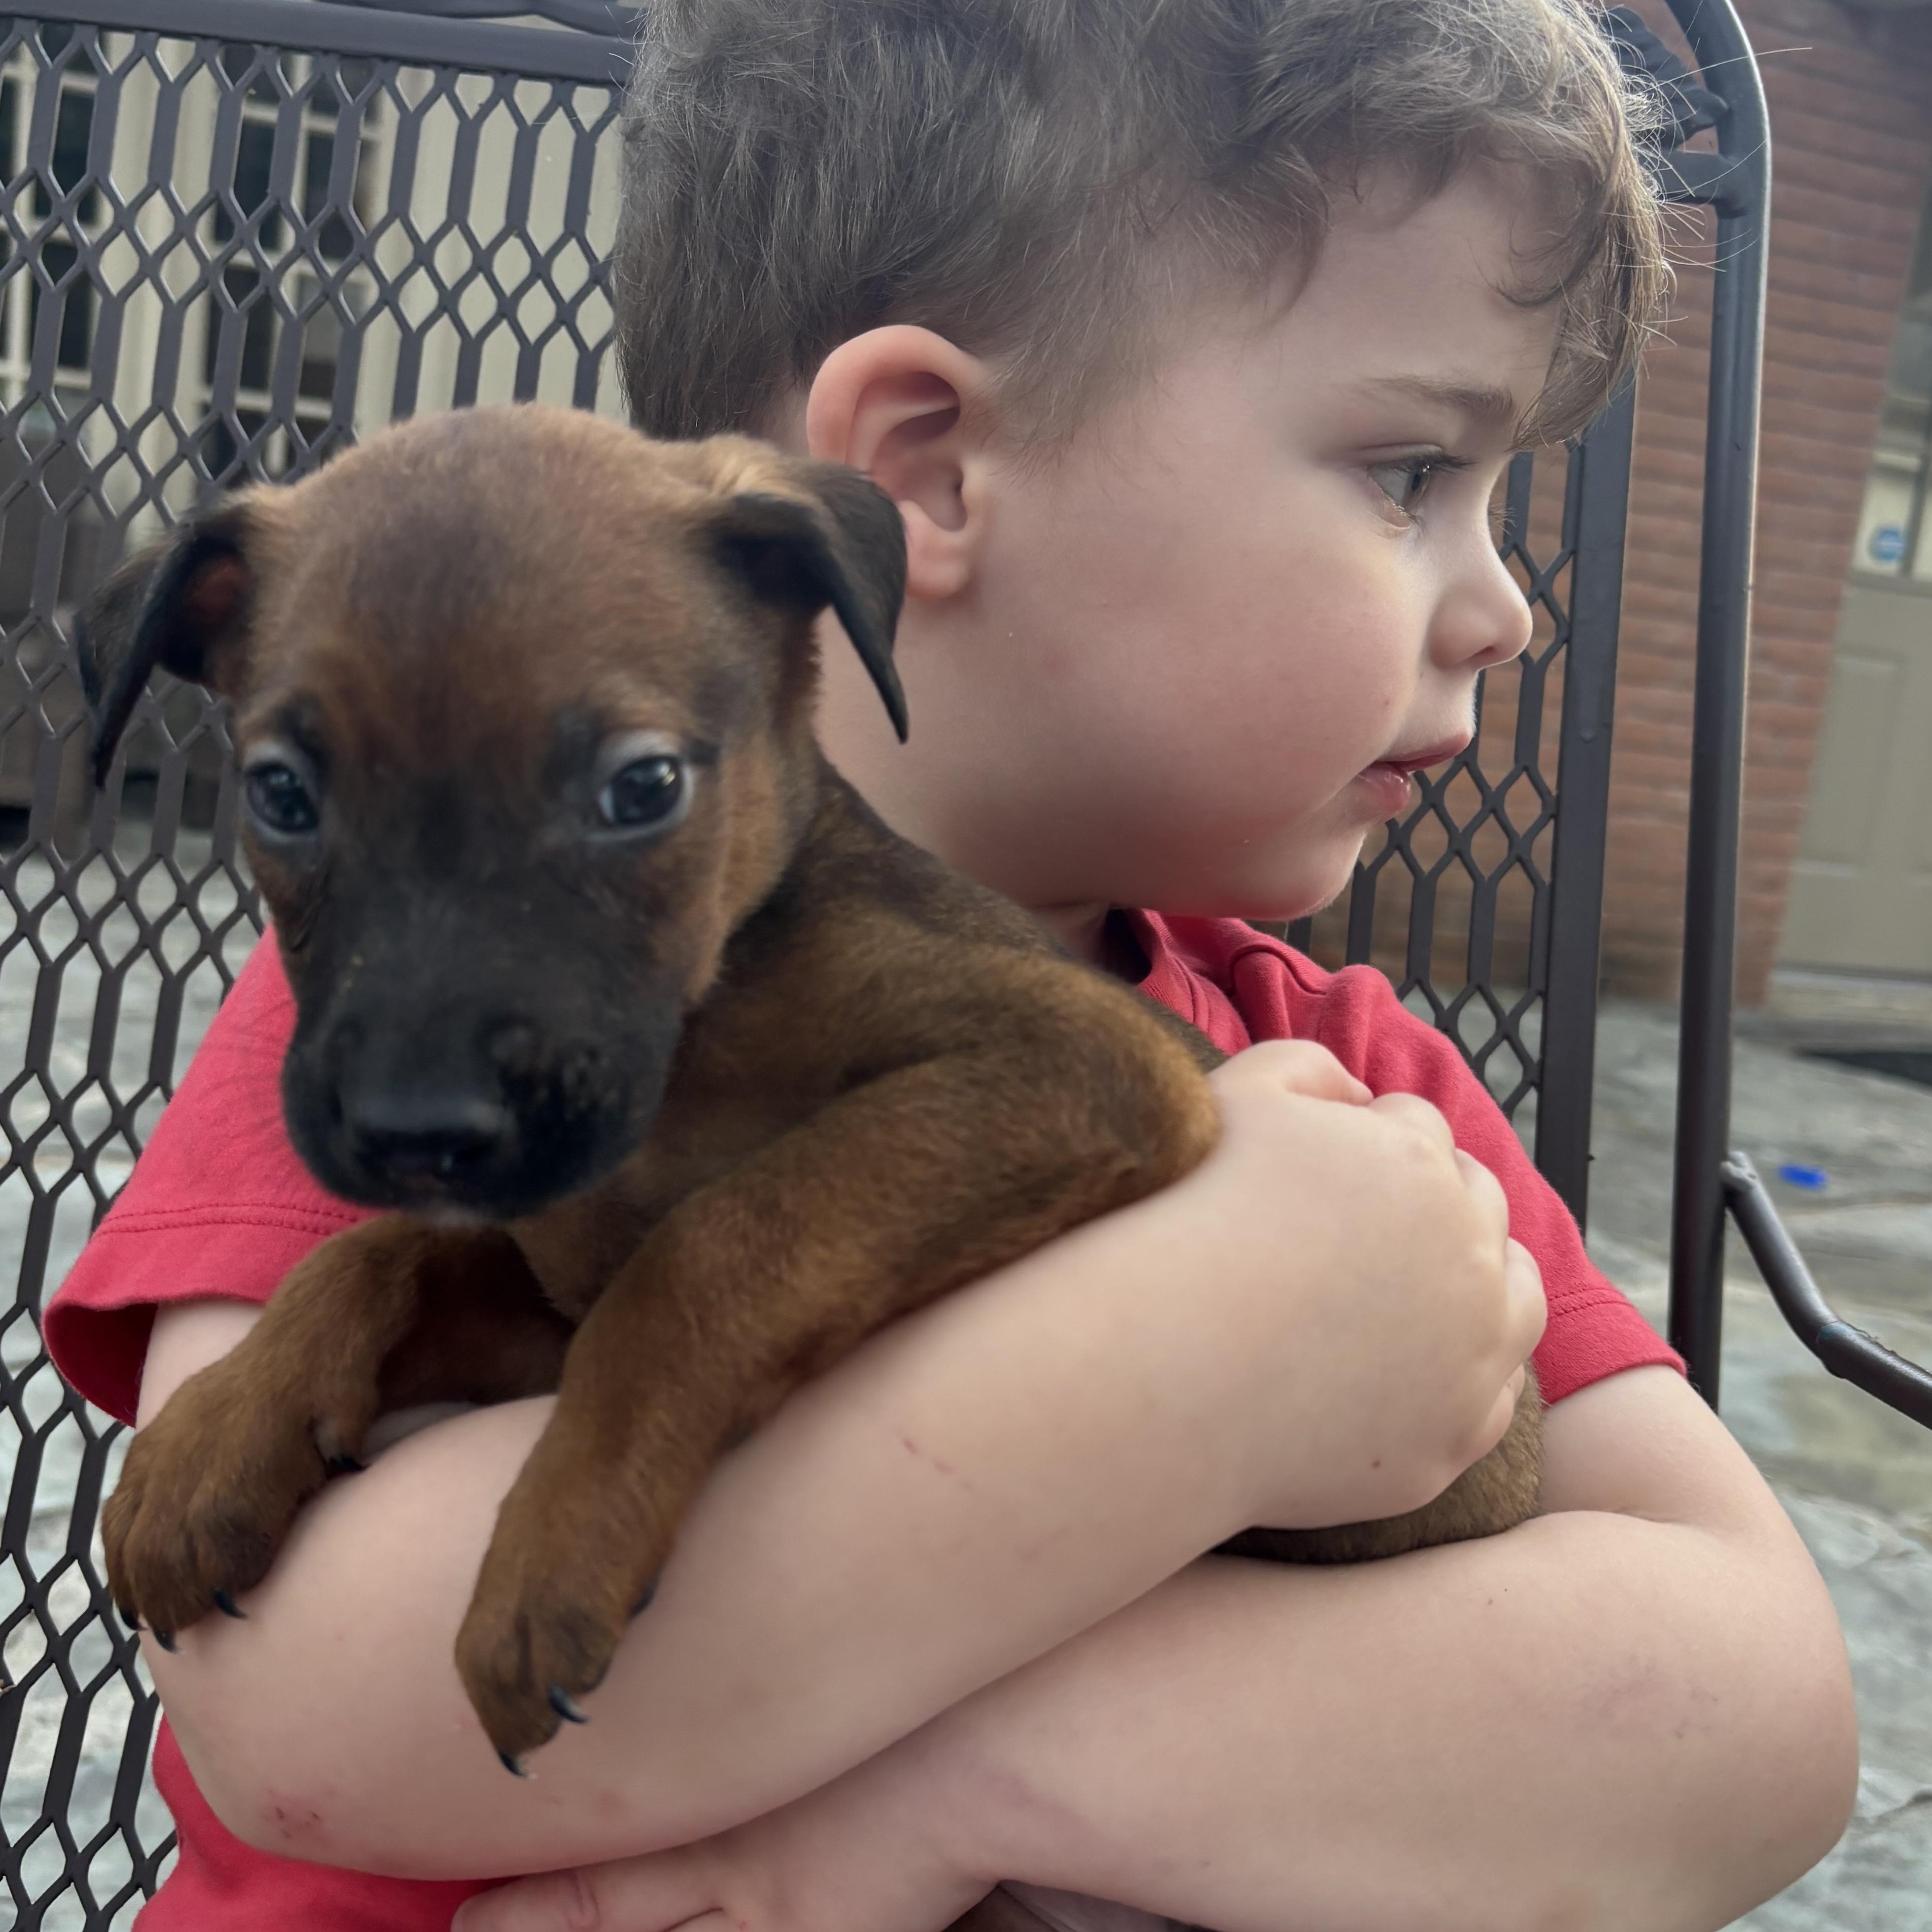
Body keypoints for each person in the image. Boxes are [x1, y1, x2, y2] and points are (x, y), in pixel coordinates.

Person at [46, 3, 1858, 1928]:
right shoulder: (421, 1006)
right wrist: (1221, 1354)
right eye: (1412, 471)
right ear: (923, 471)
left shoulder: (1346, 1087)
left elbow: (1766, 1720)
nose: (1504, 607)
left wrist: (962, 1793)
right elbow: (305, 1719)